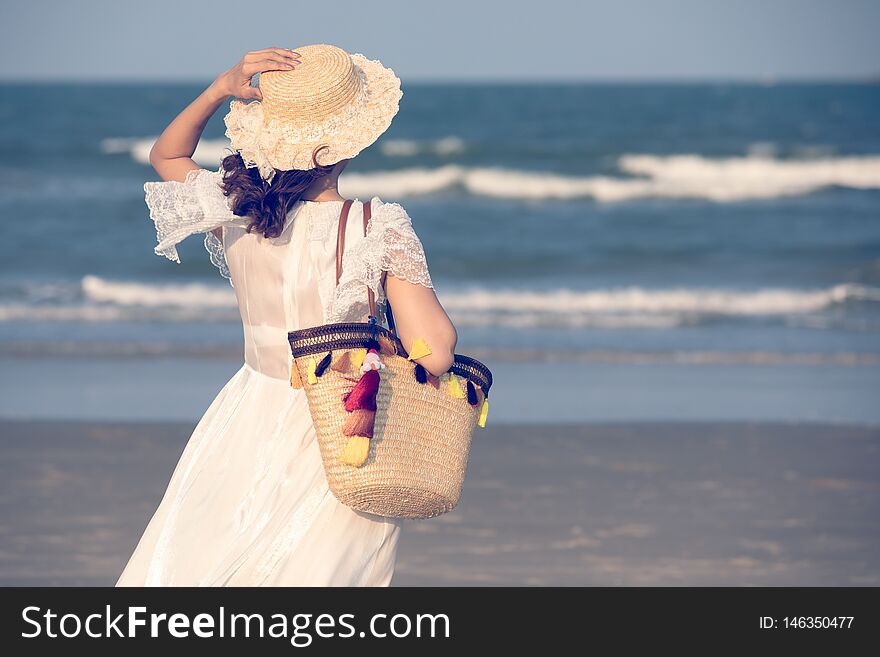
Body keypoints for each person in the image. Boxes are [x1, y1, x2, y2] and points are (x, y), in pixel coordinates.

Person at [116, 44, 457, 586]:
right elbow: (435, 351)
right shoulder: (377, 223)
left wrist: (219, 89)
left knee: (211, 561)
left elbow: (167, 157)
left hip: (247, 410)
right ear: (347, 142)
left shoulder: (236, 207)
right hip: (342, 424)